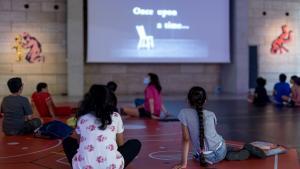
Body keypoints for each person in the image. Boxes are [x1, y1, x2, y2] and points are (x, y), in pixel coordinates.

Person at [63, 85, 141, 169]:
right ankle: (111, 161)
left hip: (82, 167)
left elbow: (79, 143)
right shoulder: (115, 116)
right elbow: (120, 144)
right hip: (112, 166)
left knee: (68, 141)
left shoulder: (82, 118)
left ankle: (86, 162)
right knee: (135, 143)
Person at [173, 87, 252, 169]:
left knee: (196, 155)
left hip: (206, 158)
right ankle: (232, 151)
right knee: (220, 144)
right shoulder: (211, 114)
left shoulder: (183, 113)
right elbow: (211, 135)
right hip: (219, 150)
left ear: (188, 100)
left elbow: (186, 139)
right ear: (205, 101)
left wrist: (183, 163)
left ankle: (229, 152)